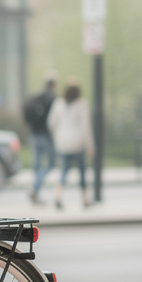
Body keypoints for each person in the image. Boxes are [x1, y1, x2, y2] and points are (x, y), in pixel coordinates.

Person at [48, 78, 93, 210]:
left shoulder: (58, 103)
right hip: (77, 142)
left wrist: (56, 137)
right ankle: (84, 199)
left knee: (64, 170)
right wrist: (90, 145)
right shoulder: (82, 104)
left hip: (62, 142)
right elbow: (85, 127)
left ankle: (57, 196)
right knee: (82, 171)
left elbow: (51, 123)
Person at [22, 73, 57, 204]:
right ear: (54, 85)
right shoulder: (52, 98)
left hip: (34, 135)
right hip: (45, 136)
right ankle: (34, 188)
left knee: (37, 165)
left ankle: (35, 192)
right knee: (50, 164)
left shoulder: (36, 97)